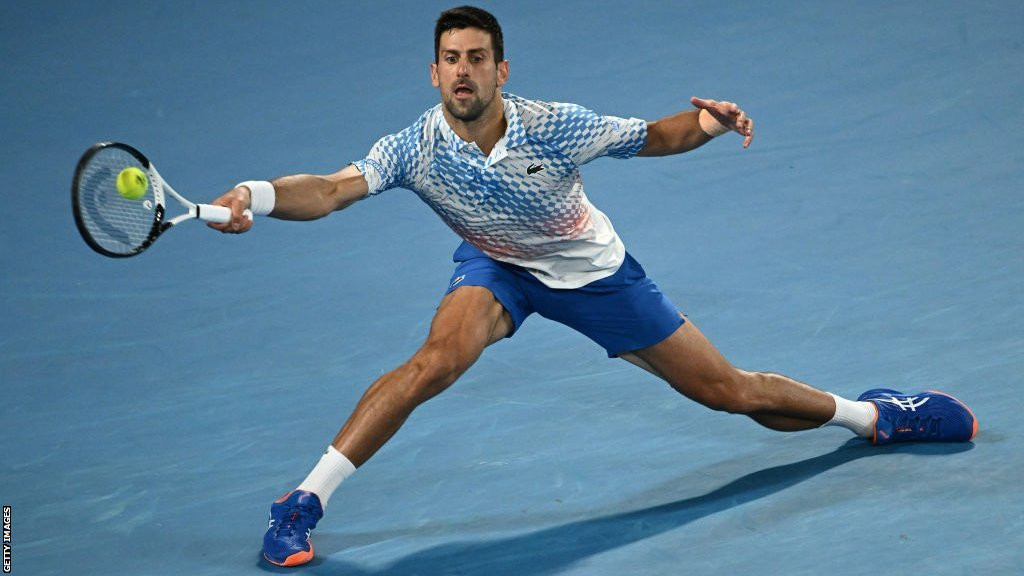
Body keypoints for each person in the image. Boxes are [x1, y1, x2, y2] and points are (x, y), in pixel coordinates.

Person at [210, 6, 978, 567]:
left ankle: (875, 416)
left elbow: (653, 136)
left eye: (478, 57)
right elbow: (333, 190)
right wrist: (258, 193)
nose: (463, 71)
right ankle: (302, 502)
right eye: (450, 57)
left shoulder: (555, 124)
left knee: (730, 393)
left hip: (594, 276)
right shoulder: (414, 147)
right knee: (432, 364)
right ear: (434, 70)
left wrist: (706, 125)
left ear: (501, 70)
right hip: (497, 269)